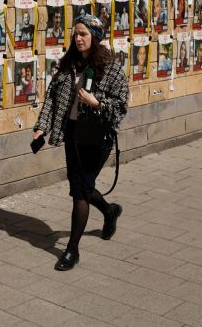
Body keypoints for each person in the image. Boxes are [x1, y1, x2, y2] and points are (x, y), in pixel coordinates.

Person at [32, 14, 128, 272]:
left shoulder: (112, 68)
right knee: (81, 187)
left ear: (95, 38)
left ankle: (72, 249)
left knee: (80, 191)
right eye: (76, 34)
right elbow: (52, 98)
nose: (78, 38)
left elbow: (121, 106)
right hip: (72, 134)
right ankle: (109, 211)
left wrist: (97, 103)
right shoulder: (68, 65)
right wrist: (42, 126)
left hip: (97, 138)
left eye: (83, 34)